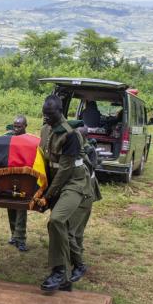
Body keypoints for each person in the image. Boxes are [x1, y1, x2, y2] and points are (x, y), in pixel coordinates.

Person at [39, 95, 94, 293]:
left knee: (56, 220)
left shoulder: (70, 135)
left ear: (60, 112)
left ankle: (59, 270)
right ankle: (70, 274)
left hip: (74, 183)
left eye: (50, 114)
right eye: (44, 114)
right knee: (60, 228)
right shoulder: (45, 129)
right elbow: (43, 159)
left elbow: (65, 170)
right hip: (56, 182)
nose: (46, 118)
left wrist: (48, 195)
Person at [67, 125, 102, 282]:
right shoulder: (81, 150)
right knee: (75, 230)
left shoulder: (87, 151)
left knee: (74, 231)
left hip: (85, 194)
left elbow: (87, 170)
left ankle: (77, 261)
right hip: (82, 193)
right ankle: (74, 257)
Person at [7, 115, 29, 252]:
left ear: (25, 126)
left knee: (21, 208)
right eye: (14, 126)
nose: (15, 129)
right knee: (10, 205)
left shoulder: (29, 141)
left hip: (24, 178)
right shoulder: (9, 138)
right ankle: (14, 234)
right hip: (10, 177)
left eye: (19, 126)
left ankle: (20, 238)